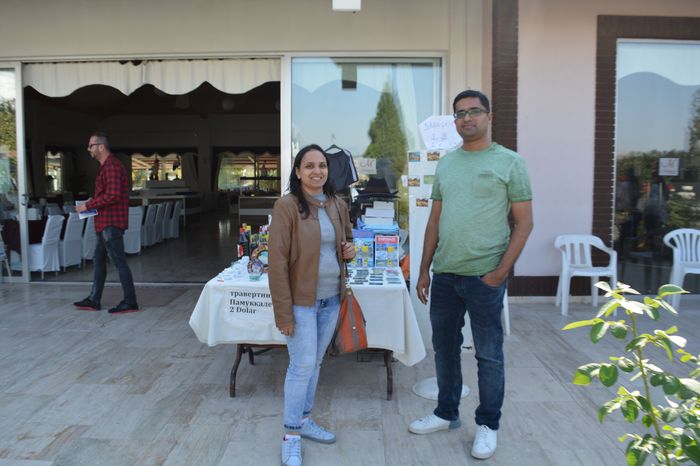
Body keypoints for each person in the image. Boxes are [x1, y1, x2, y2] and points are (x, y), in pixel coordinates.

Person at [409, 90, 533, 460]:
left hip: (485, 277)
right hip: (446, 275)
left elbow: (524, 224)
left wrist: (499, 273)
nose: (466, 118)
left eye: (474, 111)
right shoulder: (447, 164)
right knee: (445, 349)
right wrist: (424, 270)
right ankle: (446, 413)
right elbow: (434, 221)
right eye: (459, 113)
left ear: (489, 116)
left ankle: (488, 424)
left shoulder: (511, 163)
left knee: (488, 355)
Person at [268, 144, 355, 466]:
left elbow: (347, 243)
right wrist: (284, 313)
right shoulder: (287, 206)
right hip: (301, 302)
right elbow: (277, 264)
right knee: (301, 365)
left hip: (331, 299)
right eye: (309, 166)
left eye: (322, 165)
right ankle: (291, 435)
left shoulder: (337, 204)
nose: (317, 171)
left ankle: (304, 420)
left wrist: (349, 250)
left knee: (314, 363)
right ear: (298, 171)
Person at [74, 132, 139, 314]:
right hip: (104, 223)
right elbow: (107, 194)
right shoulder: (106, 167)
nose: (88, 149)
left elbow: (113, 196)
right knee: (99, 260)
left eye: (91, 145)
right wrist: (92, 201)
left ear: (101, 147)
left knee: (118, 262)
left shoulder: (112, 166)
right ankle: (94, 299)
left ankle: (130, 301)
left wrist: (88, 205)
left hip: (111, 223)